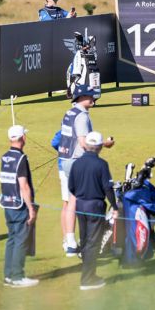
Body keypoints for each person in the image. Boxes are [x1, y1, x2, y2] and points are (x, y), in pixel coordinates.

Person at [57, 85, 114, 256]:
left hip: (64, 160)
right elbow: (83, 143)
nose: (93, 99)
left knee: (67, 202)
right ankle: (73, 243)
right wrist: (104, 144)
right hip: (75, 162)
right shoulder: (81, 116)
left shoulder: (70, 112)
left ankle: (68, 241)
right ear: (80, 97)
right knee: (75, 201)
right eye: (89, 96)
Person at [68, 131, 119, 290]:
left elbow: (71, 187)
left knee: (84, 241)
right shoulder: (101, 164)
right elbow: (108, 188)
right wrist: (115, 207)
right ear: (99, 147)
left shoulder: (77, 163)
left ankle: (88, 274)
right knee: (93, 243)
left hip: (80, 205)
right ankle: (88, 279)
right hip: (94, 205)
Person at [0, 125, 39, 288]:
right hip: (19, 205)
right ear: (23, 138)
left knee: (12, 239)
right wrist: (31, 208)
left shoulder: (4, 157)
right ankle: (17, 276)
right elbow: (24, 186)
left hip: (7, 204)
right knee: (21, 240)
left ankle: (8, 275)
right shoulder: (21, 158)